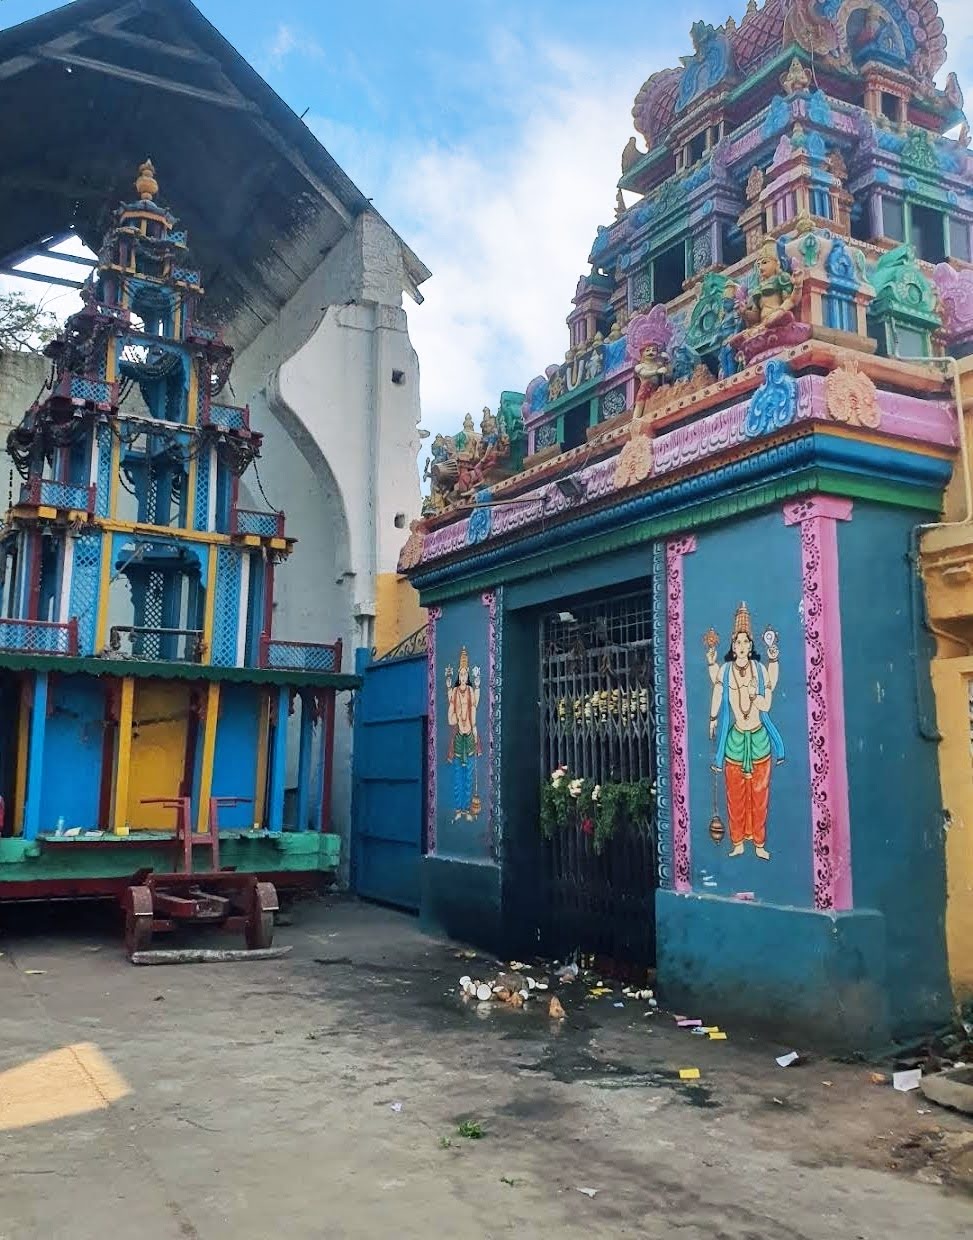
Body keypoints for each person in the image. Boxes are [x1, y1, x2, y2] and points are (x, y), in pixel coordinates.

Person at [706, 603, 784, 859]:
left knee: (759, 795)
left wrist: (756, 692)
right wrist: (713, 717)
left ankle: (759, 843)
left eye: (745, 642)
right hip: (735, 740)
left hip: (759, 740)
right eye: (737, 642)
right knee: (735, 794)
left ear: (751, 646)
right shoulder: (727, 671)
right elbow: (717, 687)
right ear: (733, 645)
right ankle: (737, 840)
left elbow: (767, 702)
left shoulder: (760, 672)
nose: (741, 647)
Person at [445, 648, 482, 821]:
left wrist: (475, 735)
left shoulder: (470, 693)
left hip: (469, 735)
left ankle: (468, 809)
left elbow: (474, 713)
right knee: (458, 774)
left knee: (469, 775)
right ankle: (459, 808)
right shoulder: (454, 694)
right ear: (458, 677)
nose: (463, 678)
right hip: (459, 737)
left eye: (465, 675)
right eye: (461, 675)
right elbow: (451, 718)